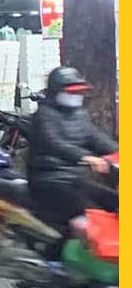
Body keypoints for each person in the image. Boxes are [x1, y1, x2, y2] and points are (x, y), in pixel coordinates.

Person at [26, 66, 117, 234]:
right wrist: (87, 157)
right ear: (56, 91)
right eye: (72, 92)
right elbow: (54, 143)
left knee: (116, 202)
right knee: (93, 217)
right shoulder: (43, 115)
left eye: (79, 92)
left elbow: (95, 138)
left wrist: (118, 152)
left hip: (74, 179)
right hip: (48, 179)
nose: (77, 96)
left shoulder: (78, 114)